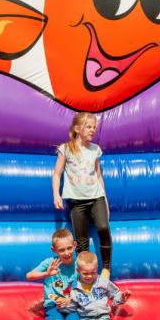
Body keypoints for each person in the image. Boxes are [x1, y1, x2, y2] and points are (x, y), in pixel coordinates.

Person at [52, 112, 112, 275]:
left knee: (103, 227)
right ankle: (86, 274)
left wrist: (105, 200)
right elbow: (57, 174)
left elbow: (99, 176)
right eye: (89, 127)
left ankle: (106, 268)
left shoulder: (95, 149)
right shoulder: (66, 149)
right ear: (77, 129)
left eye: (94, 127)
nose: (93, 130)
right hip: (76, 201)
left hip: (96, 197)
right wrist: (56, 194)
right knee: (82, 241)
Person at [26, 228, 80, 320]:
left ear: (75, 245)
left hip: (72, 306)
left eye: (69, 248)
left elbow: (84, 287)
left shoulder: (78, 265)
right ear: (54, 250)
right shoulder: (51, 263)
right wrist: (46, 273)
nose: (67, 253)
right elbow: (29, 275)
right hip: (53, 306)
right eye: (61, 250)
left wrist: (70, 299)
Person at [67, 251, 131, 320]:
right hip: (85, 317)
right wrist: (62, 305)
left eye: (93, 272)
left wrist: (122, 297)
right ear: (78, 270)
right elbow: (72, 305)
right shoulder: (75, 288)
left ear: (97, 268)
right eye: (85, 273)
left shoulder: (102, 281)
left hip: (102, 315)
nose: (89, 276)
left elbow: (115, 294)